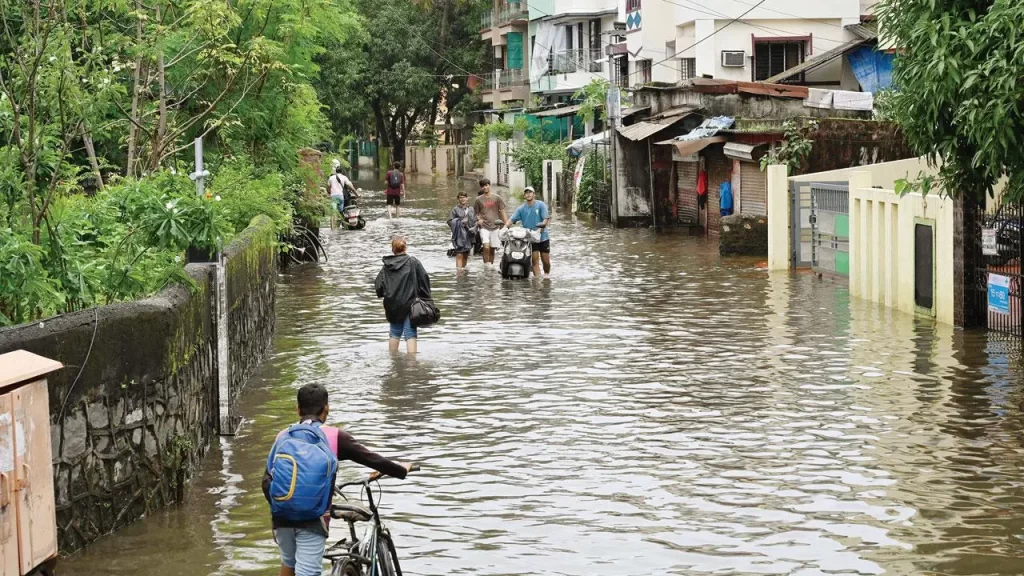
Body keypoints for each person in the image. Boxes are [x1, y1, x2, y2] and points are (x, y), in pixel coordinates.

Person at [264, 383, 414, 576]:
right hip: (313, 518)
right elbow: (372, 458)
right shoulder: (334, 436)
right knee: (307, 572)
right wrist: (402, 469)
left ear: (298, 409)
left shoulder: (283, 436)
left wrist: (282, 507)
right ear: (326, 408)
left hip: (281, 517)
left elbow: (267, 480)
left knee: (288, 564)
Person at [374, 236, 431, 354]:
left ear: (393, 250)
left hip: (392, 304)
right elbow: (424, 278)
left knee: (394, 332)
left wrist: (385, 295)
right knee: (410, 333)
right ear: (405, 248)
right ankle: (411, 365)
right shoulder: (413, 262)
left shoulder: (386, 266)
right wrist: (426, 297)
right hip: (410, 304)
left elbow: (378, 285)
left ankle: (394, 361)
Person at [506, 186, 551, 278]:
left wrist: (539, 230)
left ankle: (546, 276)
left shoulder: (541, 205)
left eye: (530, 192)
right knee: (535, 261)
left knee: (546, 261)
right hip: (531, 238)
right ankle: (538, 281)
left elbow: (545, 219)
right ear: (524, 196)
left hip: (542, 237)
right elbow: (511, 220)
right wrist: (504, 228)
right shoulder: (521, 209)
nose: (528, 194)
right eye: (526, 193)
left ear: (534, 194)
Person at [472, 178, 508, 266]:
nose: (485, 187)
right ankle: (486, 265)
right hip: (484, 226)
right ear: (481, 188)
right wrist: (478, 219)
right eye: (483, 186)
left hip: (495, 226)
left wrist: (506, 225)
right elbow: (475, 213)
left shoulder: (497, 198)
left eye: (486, 185)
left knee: (492, 248)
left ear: (489, 185)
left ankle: (491, 265)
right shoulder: (478, 200)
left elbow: (502, 211)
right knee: (486, 246)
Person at [448, 191, 477, 270]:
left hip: (469, 233)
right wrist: (459, 223)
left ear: (467, 198)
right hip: (459, 234)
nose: (462, 199)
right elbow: (450, 221)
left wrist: (475, 226)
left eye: (464, 197)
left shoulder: (471, 209)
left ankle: (463, 269)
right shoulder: (455, 210)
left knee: (466, 252)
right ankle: (459, 271)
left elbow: (475, 219)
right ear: (458, 199)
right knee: (459, 252)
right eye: (460, 197)